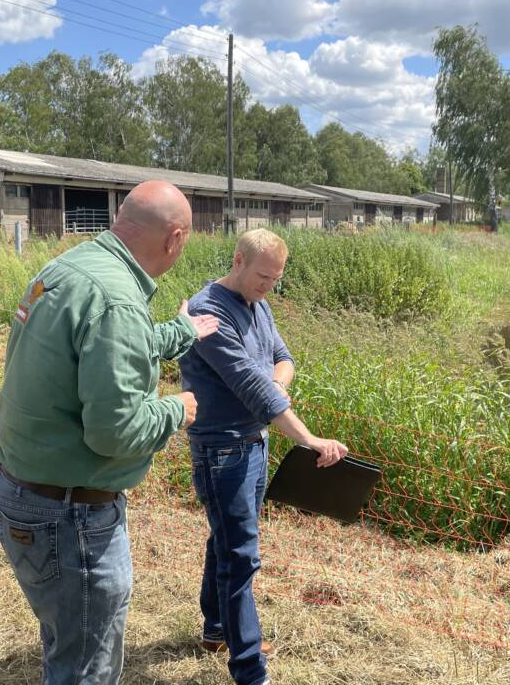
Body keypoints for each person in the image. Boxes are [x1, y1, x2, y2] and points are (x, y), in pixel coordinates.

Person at [0, 181, 219, 685]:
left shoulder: (69, 268)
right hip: (70, 519)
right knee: (85, 668)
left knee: (66, 635)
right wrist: (175, 410)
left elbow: (107, 342)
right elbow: (115, 433)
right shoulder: (117, 301)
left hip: (20, 490)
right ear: (175, 239)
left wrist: (180, 331)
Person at [179, 228, 348, 685]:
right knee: (241, 554)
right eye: (262, 276)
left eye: (275, 279)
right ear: (237, 260)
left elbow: (282, 357)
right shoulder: (208, 312)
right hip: (222, 450)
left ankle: (217, 629)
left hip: (253, 443)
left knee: (227, 541)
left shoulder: (259, 304)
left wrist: (278, 383)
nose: (268, 286)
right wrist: (308, 439)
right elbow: (252, 387)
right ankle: (250, 670)